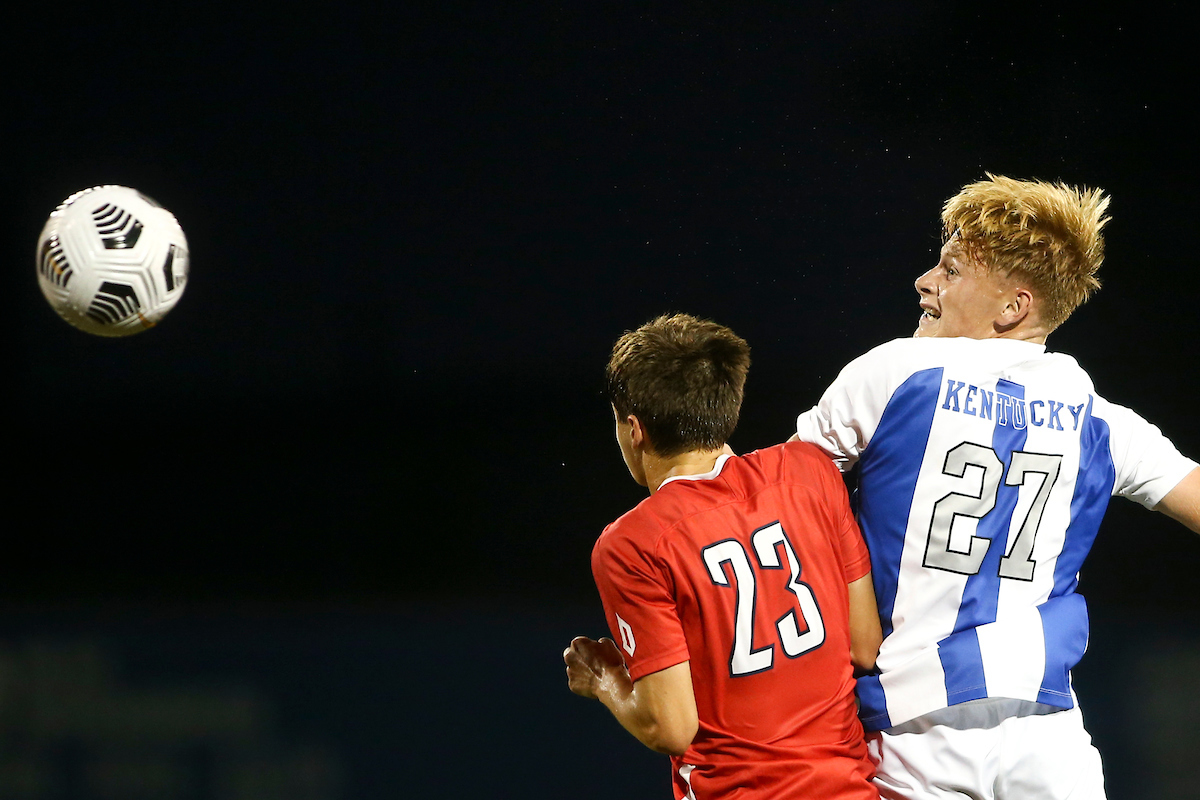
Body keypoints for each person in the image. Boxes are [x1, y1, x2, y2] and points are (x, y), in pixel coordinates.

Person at [792, 174, 1200, 799]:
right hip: (1048, 736)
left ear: (1013, 307)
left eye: (951, 269)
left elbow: (780, 503)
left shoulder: (894, 371)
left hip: (911, 728)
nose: (926, 281)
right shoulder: (1101, 420)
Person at [564, 313, 883, 799]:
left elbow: (670, 728)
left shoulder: (633, 543)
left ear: (634, 429)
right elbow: (864, 646)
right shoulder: (809, 471)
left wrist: (605, 679)